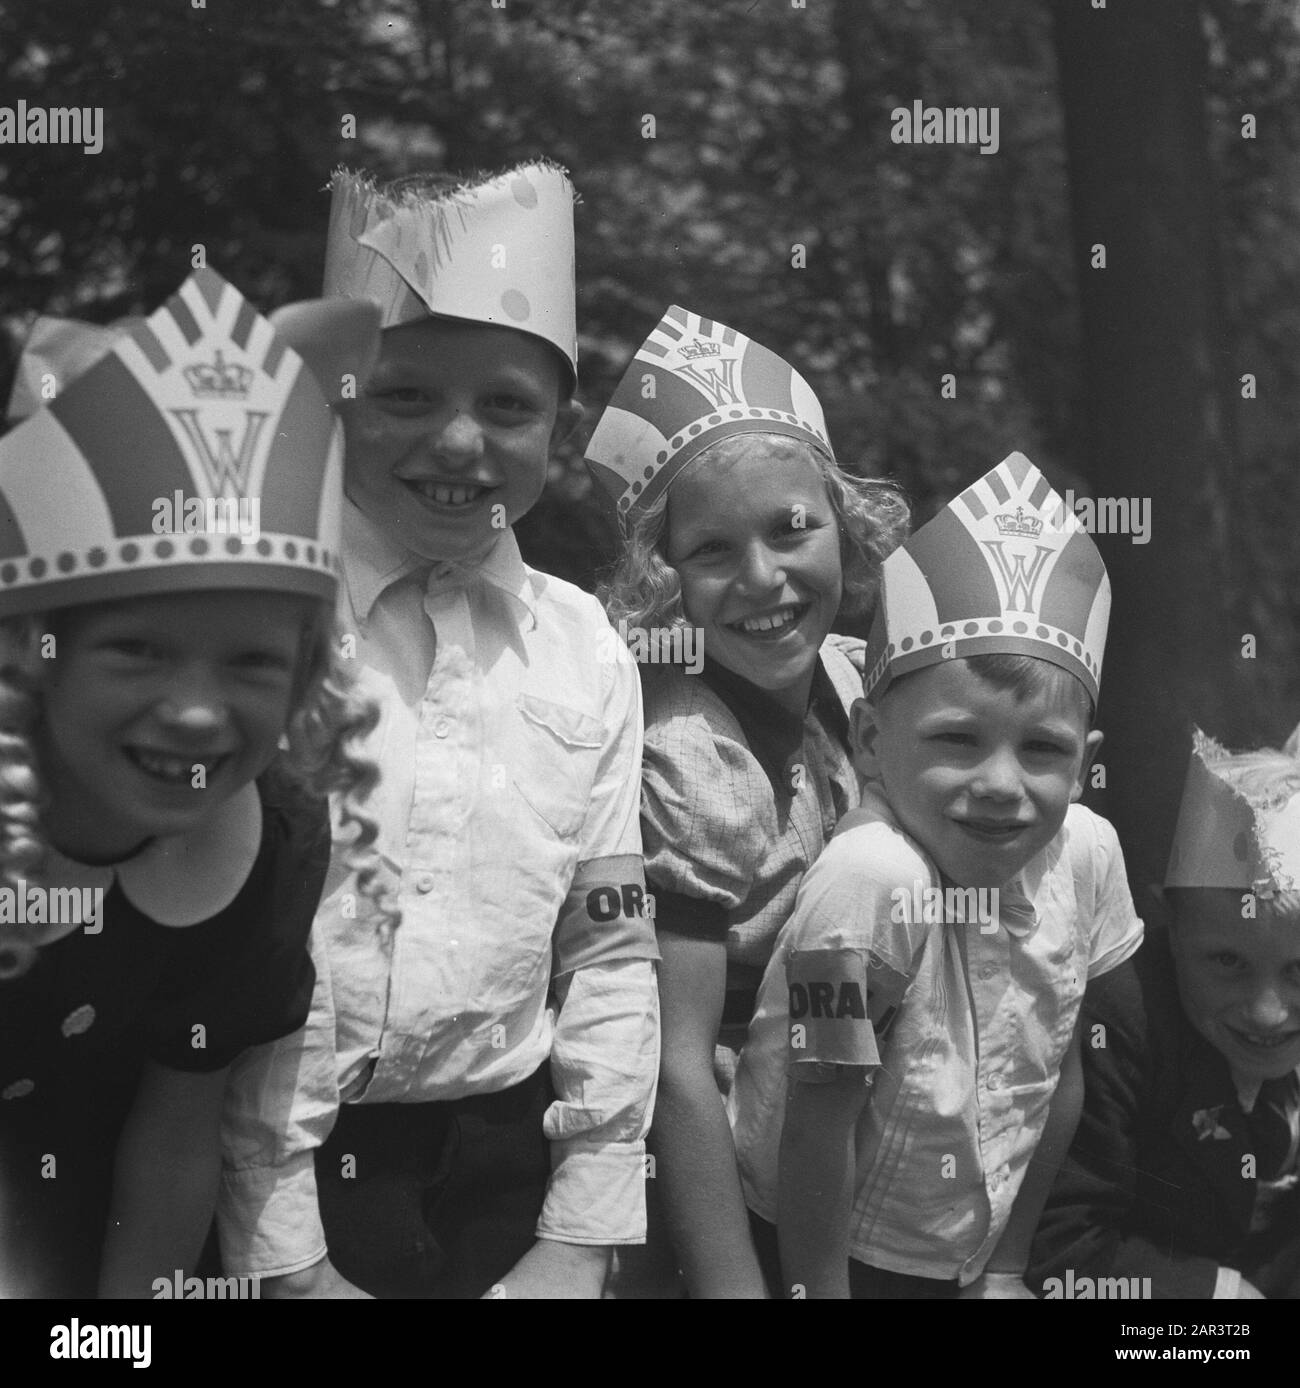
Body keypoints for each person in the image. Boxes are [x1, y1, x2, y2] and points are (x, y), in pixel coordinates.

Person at [218, 164, 661, 1300]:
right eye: (405, 396)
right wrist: (285, 1259)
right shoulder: (260, 625)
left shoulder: (587, 649)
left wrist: (585, 1226)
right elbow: (243, 958)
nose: (460, 442)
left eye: (508, 406)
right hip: (289, 1169)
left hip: (510, 1162)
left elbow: (607, 947)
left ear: (558, 429)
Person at [0, 269, 384, 1298]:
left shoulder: (267, 854)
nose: (200, 711)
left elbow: (175, 1138)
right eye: (137, 649)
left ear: (307, 674)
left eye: (252, 663)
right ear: (37, 651)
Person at [730, 450, 1145, 1297]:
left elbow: (1060, 1073)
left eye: (1043, 750)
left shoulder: (1090, 852)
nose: (1000, 784)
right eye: (957, 740)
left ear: (1085, 762)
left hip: (963, 1257)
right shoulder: (870, 880)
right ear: (874, 742)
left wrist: (1007, 1265)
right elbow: (819, 1123)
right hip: (820, 1253)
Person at [588, 305, 907, 1296]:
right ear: (660, 578)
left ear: (841, 530)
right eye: (713, 552)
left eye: (790, 530)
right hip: (739, 1178)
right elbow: (674, 1062)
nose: (763, 578)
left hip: (868, 1152)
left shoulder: (861, 682)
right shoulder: (688, 757)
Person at [1030, 732, 1300, 1299]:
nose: (1269, 1014)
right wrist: (1219, 1299)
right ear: (1172, 929)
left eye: (1299, 971)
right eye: (1228, 961)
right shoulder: (1121, 1020)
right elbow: (1058, 1254)